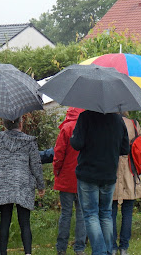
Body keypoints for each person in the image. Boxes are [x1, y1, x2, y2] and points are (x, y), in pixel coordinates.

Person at [0, 116, 45, 255]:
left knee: (5, 220)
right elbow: (35, 165)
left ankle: (2, 252)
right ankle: (28, 252)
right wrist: (41, 185)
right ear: (20, 124)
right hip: (23, 184)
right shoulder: (29, 141)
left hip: (3, 183)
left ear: (4, 125)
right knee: (25, 222)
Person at [70, 110, 129, 255]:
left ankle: (100, 252)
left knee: (91, 215)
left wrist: (74, 136)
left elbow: (77, 144)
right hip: (109, 174)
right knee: (106, 214)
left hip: (88, 174)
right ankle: (109, 250)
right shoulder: (118, 120)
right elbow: (125, 149)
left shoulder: (86, 117)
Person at [111, 114, 141, 255]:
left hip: (113, 167)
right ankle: (124, 248)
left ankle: (112, 246)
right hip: (130, 168)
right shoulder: (134, 123)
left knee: (111, 210)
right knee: (128, 210)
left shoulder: (110, 122)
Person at [53, 107, 86, 255]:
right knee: (82, 214)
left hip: (67, 177)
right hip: (84, 177)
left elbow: (59, 153)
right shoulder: (87, 127)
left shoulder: (66, 128)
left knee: (66, 214)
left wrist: (57, 171)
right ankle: (79, 248)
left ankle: (61, 248)